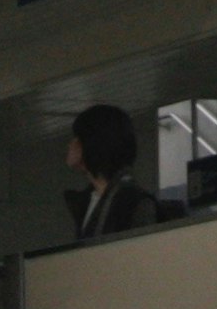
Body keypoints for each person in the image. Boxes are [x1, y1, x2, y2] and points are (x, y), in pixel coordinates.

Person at [61, 105, 164, 244]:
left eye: (77, 138)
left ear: (92, 143)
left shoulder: (133, 202)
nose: (71, 144)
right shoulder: (91, 201)